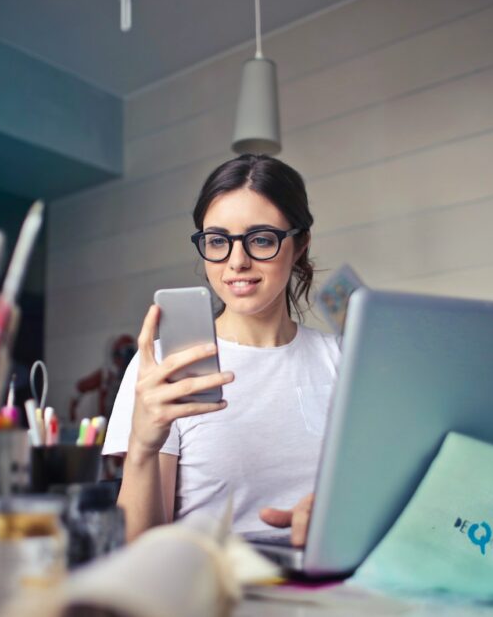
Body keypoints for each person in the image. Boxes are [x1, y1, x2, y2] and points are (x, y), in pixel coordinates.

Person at [102, 154, 341, 544]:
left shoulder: (342, 361)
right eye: (217, 241)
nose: (237, 262)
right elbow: (139, 549)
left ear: (299, 245)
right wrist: (143, 446)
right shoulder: (165, 367)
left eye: (261, 239)